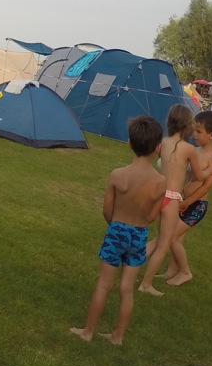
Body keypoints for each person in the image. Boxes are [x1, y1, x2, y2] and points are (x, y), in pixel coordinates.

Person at [71, 115, 165, 346]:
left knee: (104, 284)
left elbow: (107, 210)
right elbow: (153, 216)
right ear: (158, 147)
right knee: (127, 289)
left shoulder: (118, 175)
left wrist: (116, 225)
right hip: (139, 234)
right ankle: (117, 336)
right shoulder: (161, 182)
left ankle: (88, 332)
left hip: (116, 230)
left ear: (130, 143)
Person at [138, 104, 201, 296]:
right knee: (163, 245)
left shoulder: (163, 142)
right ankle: (146, 284)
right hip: (172, 199)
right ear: (188, 124)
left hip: (159, 195)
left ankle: (131, 264)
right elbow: (198, 176)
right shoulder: (189, 149)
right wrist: (210, 171)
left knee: (159, 239)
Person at [159, 110, 212, 287]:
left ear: (211, 135)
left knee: (171, 236)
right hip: (182, 201)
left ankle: (185, 272)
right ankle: (171, 271)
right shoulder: (194, 151)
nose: (194, 134)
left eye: (199, 131)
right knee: (177, 238)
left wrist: (188, 202)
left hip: (196, 206)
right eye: (194, 129)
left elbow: (206, 187)